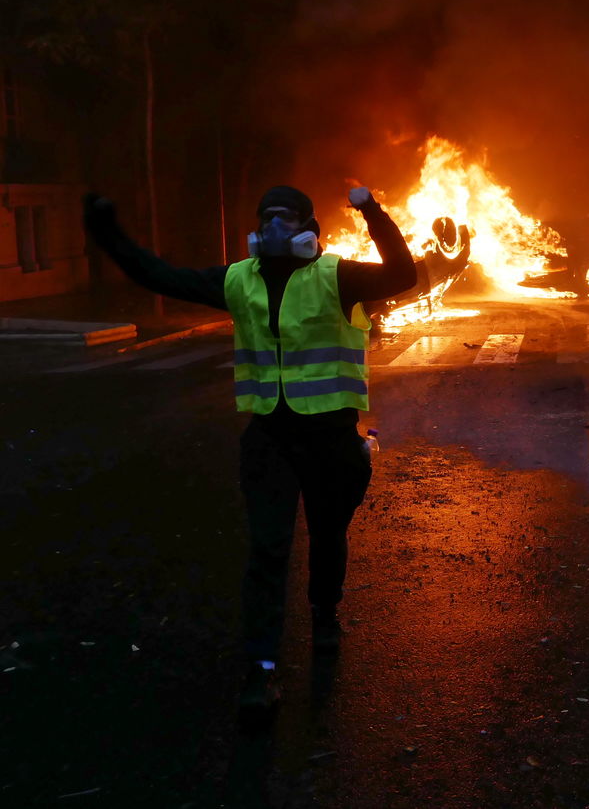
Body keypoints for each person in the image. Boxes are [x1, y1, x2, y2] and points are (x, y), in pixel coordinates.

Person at [83, 184, 463, 723]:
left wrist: (372, 211)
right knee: (267, 553)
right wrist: (106, 233)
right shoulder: (239, 279)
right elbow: (159, 275)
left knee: (328, 535)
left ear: (309, 228)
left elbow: (402, 274)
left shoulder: (337, 275)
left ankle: (325, 613)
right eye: (267, 218)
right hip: (270, 440)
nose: (275, 226)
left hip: (331, 438)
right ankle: (260, 671)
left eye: (286, 218)